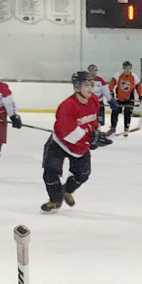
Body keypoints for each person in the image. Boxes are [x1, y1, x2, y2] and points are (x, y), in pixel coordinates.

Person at [42, 71, 103, 213]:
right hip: (59, 143)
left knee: (83, 174)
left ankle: (66, 190)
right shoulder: (67, 107)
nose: (90, 89)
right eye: (86, 85)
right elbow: (67, 134)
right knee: (50, 173)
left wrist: (96, 134)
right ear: (77, 87)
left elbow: (93, 120)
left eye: (91, 85)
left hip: (80, 145)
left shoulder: (93, 100)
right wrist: (90, 139)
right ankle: (55, 200)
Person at [108, 61, 142, 136]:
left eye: (129, 68)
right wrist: (110, 92)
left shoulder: (134, 77)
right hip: (119, 98)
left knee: (128, 112)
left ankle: (126, 128)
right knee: (115, 112)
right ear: (123, 68)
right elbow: (111, 84)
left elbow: (139, 87)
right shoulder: (118, 75)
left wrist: (141, 96)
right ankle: (113, 128)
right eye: (126, 68)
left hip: (129, 98)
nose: (127, 70)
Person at [87, 64, 112, 129]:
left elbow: (105, 91)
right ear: (88, 71)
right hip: (88, 104)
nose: (93, 72)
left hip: (99, 104)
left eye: (94, 71)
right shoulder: (86, 81)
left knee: (99, 121)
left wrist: (110, 100)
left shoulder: (100, 80)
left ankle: (97, 133)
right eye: (91, 71)